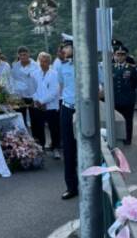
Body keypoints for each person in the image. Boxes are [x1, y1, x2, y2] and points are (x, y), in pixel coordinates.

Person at [58, 41, 78, 200]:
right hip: (67, 108)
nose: (63, 50)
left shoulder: (88, 64)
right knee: (68, 148)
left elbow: (101, 86)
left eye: (66, 47)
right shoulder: (61, 66)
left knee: (88, 146)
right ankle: (71, 186)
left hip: (84, 109)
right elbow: (61, 86)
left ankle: (93, 183)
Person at [32, 52, 61, 159]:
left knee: (54, 128)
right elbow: (32, 89)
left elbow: (54, 91)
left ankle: (55, 148)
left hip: (51, 106)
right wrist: (37, 101)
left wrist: (43, 101)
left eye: (45, 61)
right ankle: (41, 148)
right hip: (38, 106)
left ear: (49, 62)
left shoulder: (55, 74)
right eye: (41, 61)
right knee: (39, 128)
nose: (43, 63)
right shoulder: (34, 74)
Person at [112, 46, 137, 145]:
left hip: (127, 99)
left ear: (126, 56)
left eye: (122, 54)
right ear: (114, 55)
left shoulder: (131, 68)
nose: (120, 57)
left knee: (128, 119)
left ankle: (128, 138)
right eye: (118, 54)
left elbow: (135, 84)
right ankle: (116, 136)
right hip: (114, 99)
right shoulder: (111, 68)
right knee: (115, 119)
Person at [11, 46, 40, 128]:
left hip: (33, 96)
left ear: (28, 54)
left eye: (25, 54)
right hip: (20, 98)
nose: (23, 57)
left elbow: (40, 82)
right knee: (21, 122)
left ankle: (38, 140)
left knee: (36, 121)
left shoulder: (36, 66)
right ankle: (23, 139)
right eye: (21, 55)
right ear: (18, 56)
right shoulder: (15, 67)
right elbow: (12, 82)